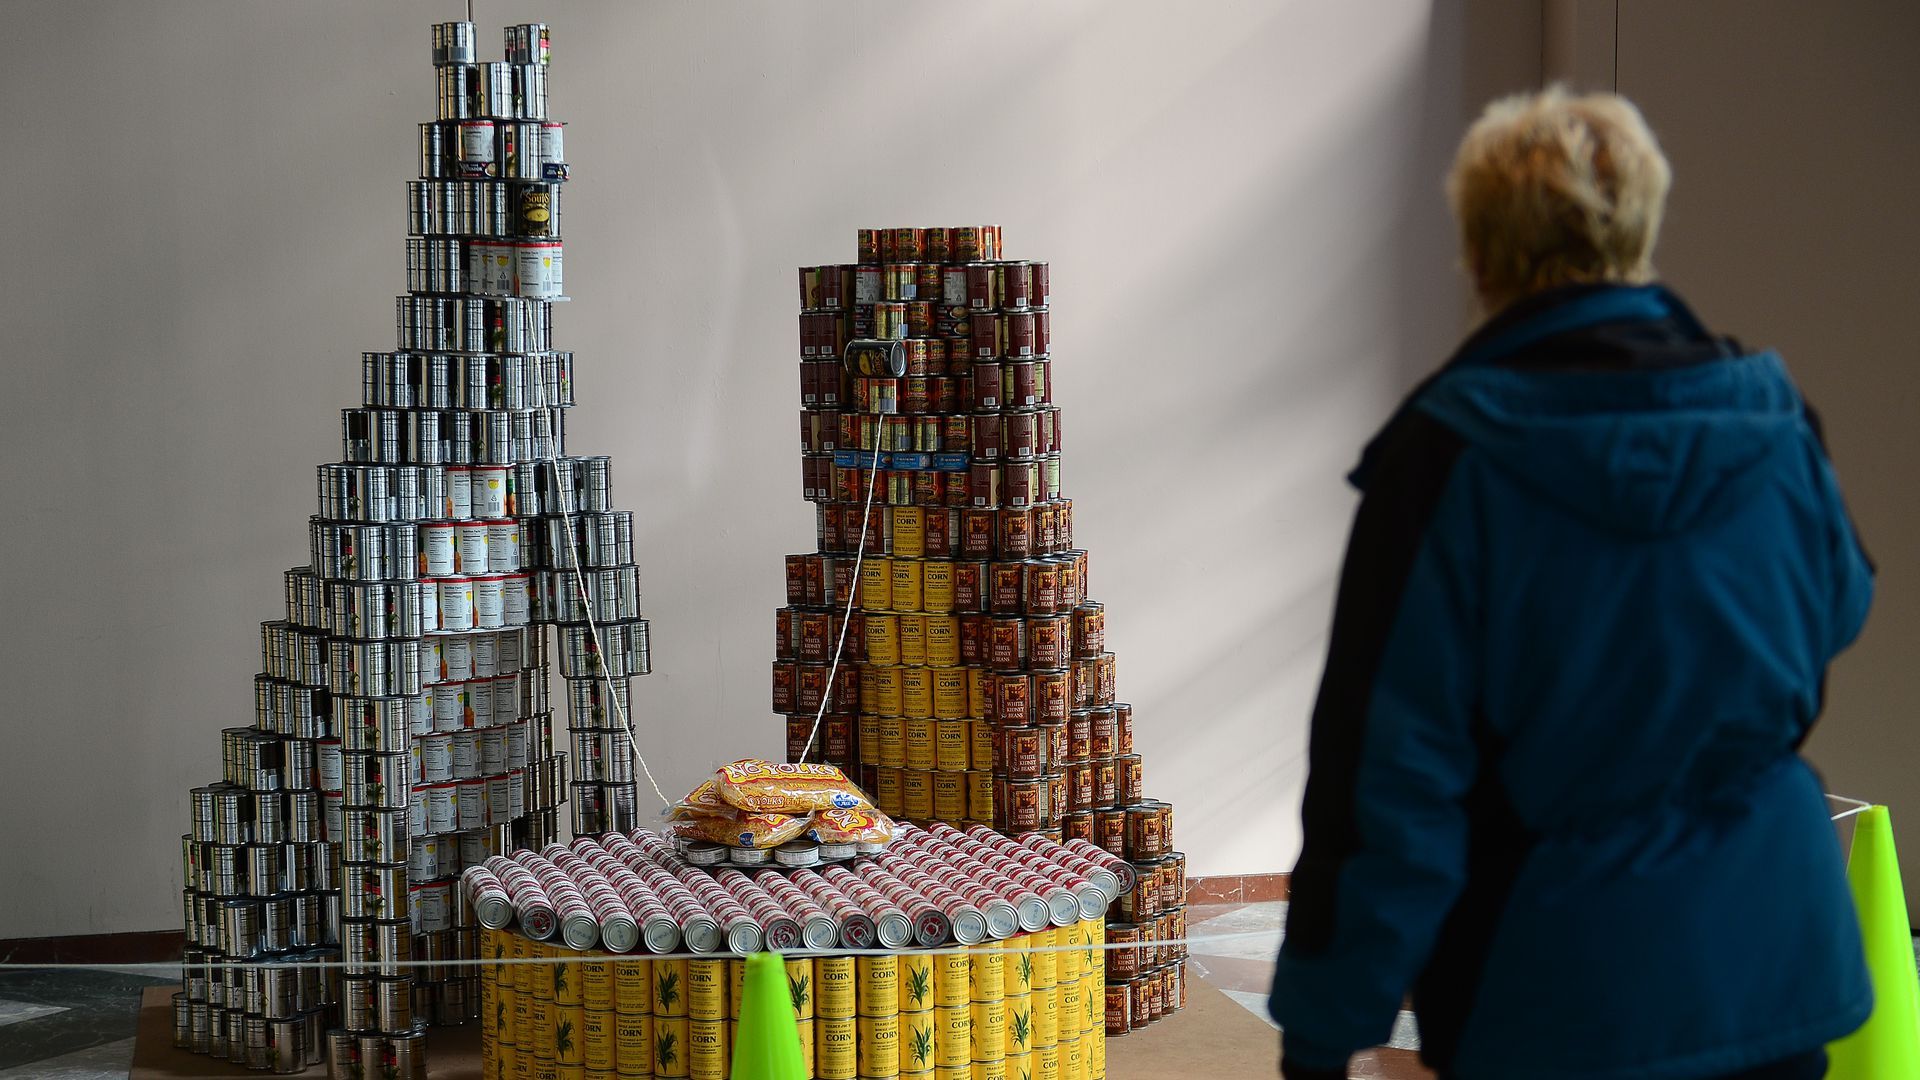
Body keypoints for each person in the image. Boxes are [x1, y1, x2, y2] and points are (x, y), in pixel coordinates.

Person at [1267, 87, 1876, 1080]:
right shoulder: (1774, 421)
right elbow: (1840, 607)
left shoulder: (1447, 460)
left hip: (1556, 992)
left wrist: (1325, 1034)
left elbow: (1387, 785)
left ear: (1478, 251)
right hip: (1772, 970)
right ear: (1642, 229)